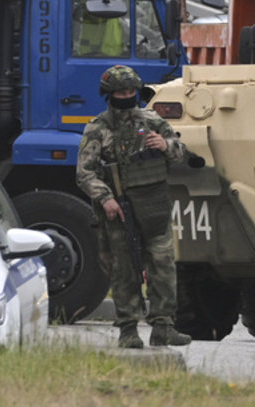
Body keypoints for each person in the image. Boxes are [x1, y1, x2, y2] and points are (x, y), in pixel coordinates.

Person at [76, 65, 191, 349]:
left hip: (154, 205)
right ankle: (128, 329)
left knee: (163, 266)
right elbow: (84, 173)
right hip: (120, 209)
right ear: (109, 94)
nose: (126, 96)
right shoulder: (98, 128)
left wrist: (164, 145)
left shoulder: (153, 121)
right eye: (120, 92)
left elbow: (181, 153)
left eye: (130, 91)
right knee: (124, 270)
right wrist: (106, 199)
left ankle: (163, 326)